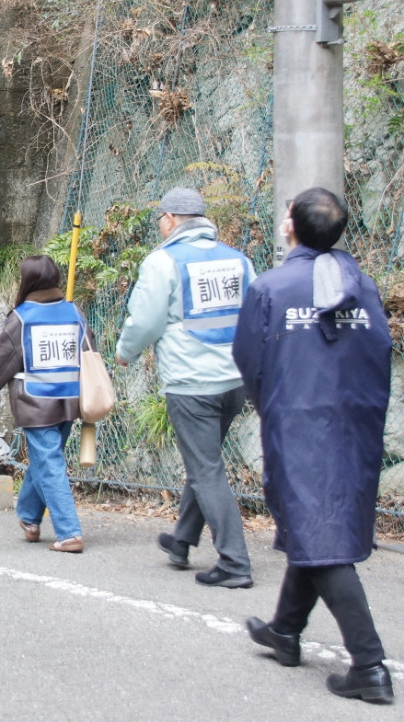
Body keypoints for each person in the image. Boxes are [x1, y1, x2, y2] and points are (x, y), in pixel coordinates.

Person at [233, 188, 395, 704]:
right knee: (315, 522)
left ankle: (369, 665)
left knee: (321, 539)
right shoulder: (361, 285)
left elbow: (249, 361)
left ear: (292, 226)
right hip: (356, 423)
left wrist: (274, 407)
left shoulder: (271, 288)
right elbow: (380, 353)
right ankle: (285, 630)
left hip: (300, 423)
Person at [115, 186, 255, 587]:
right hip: (234, 380)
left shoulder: (164, 262)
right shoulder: (238, 260)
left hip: (192, 382)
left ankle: (234, 562)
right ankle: (181, 540)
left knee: (206, 469)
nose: (159, 226)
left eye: (160, 219)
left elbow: (145, 320)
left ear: (172, 219)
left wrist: (126, 351)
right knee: (204, 462)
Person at [0, 255, 86, 552]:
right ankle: (30, 518)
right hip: (70, 401)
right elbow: (91, 353)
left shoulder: (22, 318)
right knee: (47, 459)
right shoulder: (74, 312)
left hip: (36, 404)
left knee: (48, 463)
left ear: (28, 282)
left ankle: (69, 532)